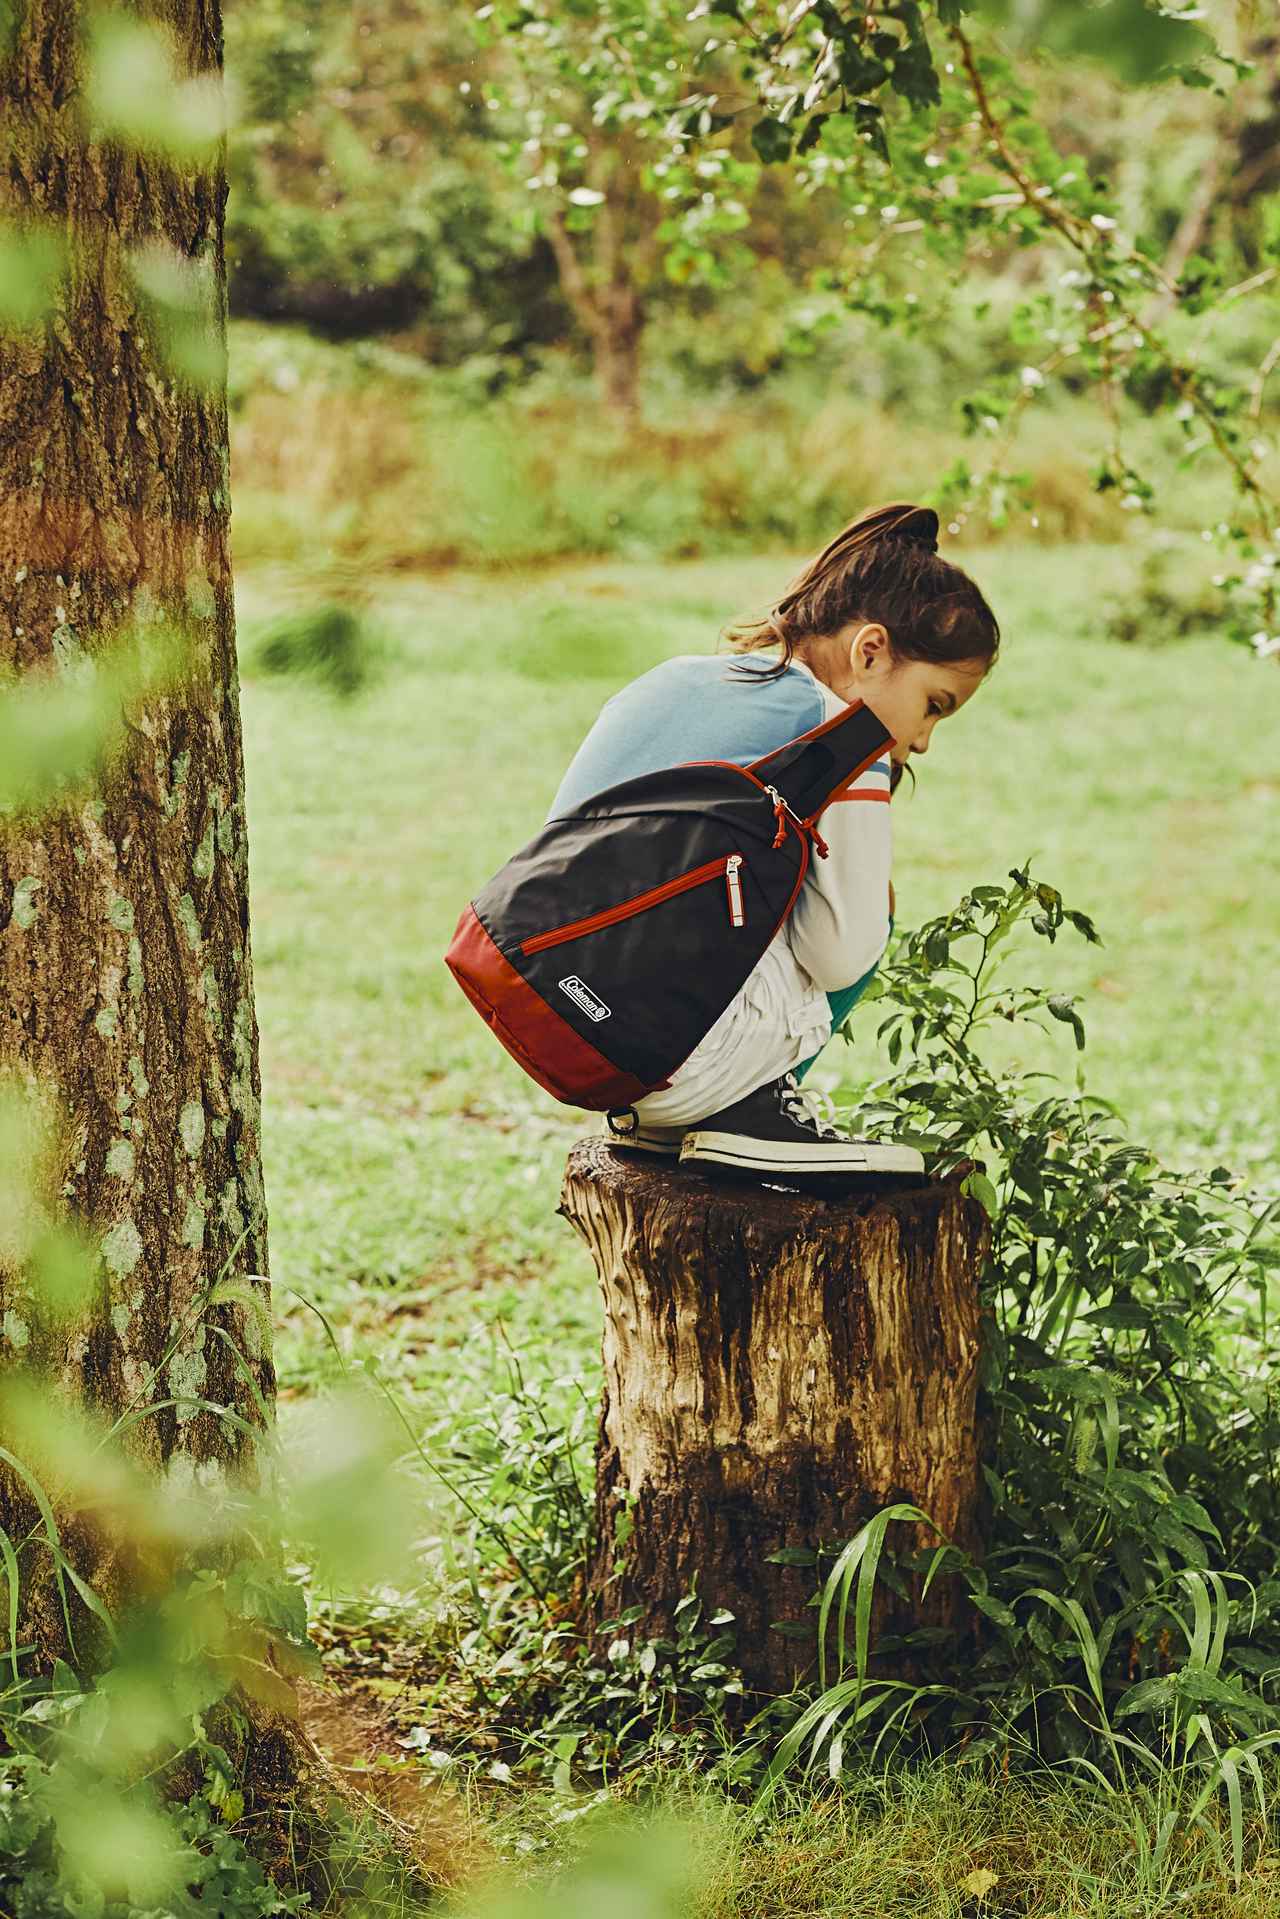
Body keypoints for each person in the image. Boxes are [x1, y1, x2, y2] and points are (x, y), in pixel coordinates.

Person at [544, 500, 1000, 1175]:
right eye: (935, 703)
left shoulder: (670, 678)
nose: (926, 741)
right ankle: (752, 1109)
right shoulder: (841, 737)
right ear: (869, 651)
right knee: (871, 904)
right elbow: (840, 955)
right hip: (678, 1064)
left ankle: (683, 1117)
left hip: (561, 1026)